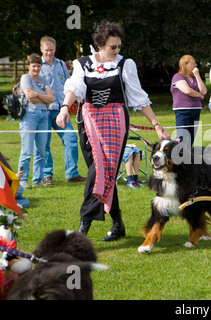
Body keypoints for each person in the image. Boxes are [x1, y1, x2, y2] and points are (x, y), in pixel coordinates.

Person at [56, 21, 169, 242]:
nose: (117, 51)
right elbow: (75, 88)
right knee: (102, 173)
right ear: (99, 45)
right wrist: (63, 109)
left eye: (119, 46)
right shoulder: (82, 63)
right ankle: (118, 224)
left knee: (100, 172)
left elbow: (138, 96)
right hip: (87, 123)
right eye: (112, 47)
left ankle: (83, 228)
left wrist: (156, 124)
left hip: (114, 123)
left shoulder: (125, 64)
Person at [39, 36, 86, 186]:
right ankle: (47, 176)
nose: (49, 53)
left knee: (71, 139)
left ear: (55, 49)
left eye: (52, 50)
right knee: (44, 143)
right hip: (44, 111)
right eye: (47, 50)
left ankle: (71, 173)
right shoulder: (37, 65)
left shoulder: (61, 65)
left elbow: (70, 84)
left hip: (61, 111)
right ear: (41, 50)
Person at [17, 53, 54, 189]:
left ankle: (37, 180)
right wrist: (44, 98)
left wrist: (38, 94)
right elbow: (29, 98)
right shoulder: (25, 78)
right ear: (28, 66)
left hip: (44, 115)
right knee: (26, 151)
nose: (36, 69)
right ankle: (23, 179)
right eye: (33, 66)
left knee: (41, 150)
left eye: (38, 66)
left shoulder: (43, 79)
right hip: (29, 116)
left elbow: (52, 99)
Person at [171, 55, 207, 145]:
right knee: (182, 137)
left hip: (196, 110)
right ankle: (179, 156)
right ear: (185, 65)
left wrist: (197, 76)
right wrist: (199, 95)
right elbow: (187, 90)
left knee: (191, 138)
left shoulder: (195, 78)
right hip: (183, 111)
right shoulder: (178, 77)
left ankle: (188, 156)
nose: (194, 66)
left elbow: (204, 91)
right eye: (192, 64)